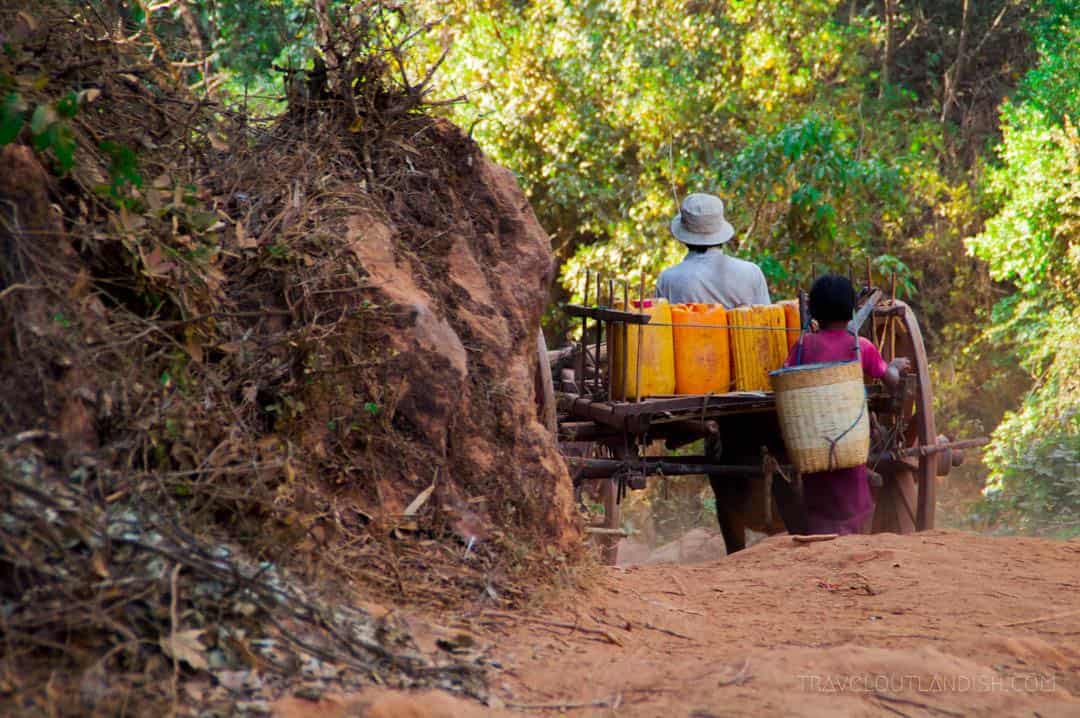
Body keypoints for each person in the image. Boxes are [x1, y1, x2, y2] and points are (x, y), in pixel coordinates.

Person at [785, 275, 911, 535]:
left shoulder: (802, 347)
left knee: (819, 507)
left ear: (814, 311)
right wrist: (895, 366)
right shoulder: (859, 347)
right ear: (851, 308)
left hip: (815, 445)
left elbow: (787, 377)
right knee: (853, 506)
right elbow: (891, 381)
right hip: (848, 444)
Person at [656, 193, 770, 307]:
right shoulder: (751, 273)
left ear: (684, 239)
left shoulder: (667, 280)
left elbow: (660, 322)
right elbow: (767, 320)